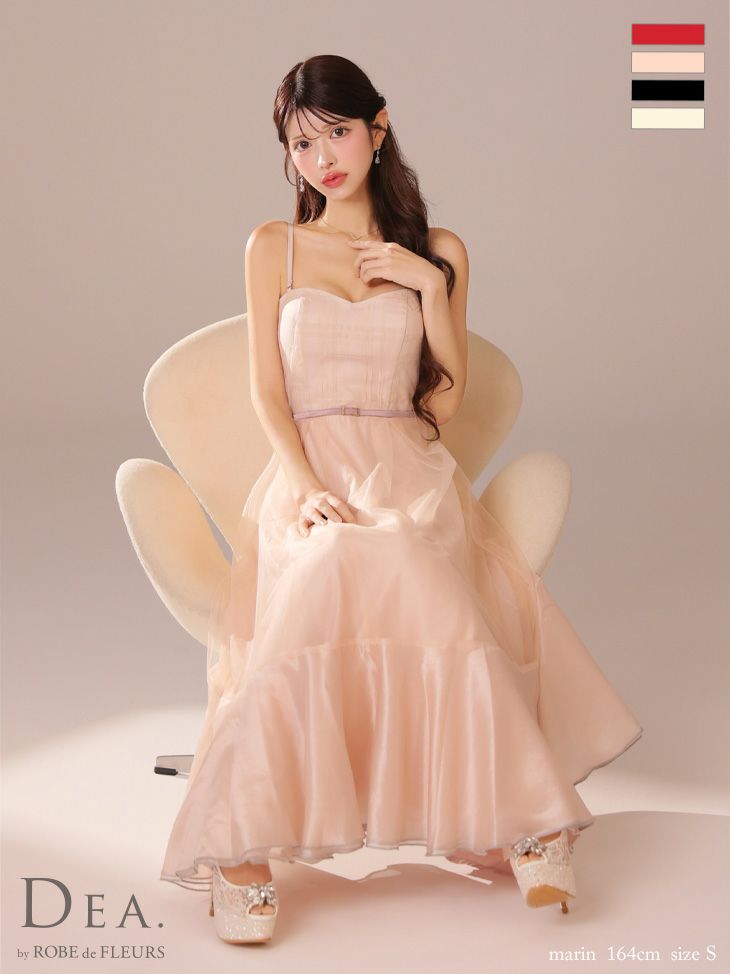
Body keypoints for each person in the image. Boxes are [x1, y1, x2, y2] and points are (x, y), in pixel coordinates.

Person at [159, 54, 643, 945]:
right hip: (309, 469)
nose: (322, 160)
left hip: (406, 465)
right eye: (301, 145)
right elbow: (266, 392)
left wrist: (424, 283)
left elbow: (446, 404)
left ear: (378, 128)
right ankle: (240, 850)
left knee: (410, 559)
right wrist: (305, 486)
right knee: (329, 560)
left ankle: (528, 822)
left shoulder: (440, 251)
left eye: (337, 134)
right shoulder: (274, 246)